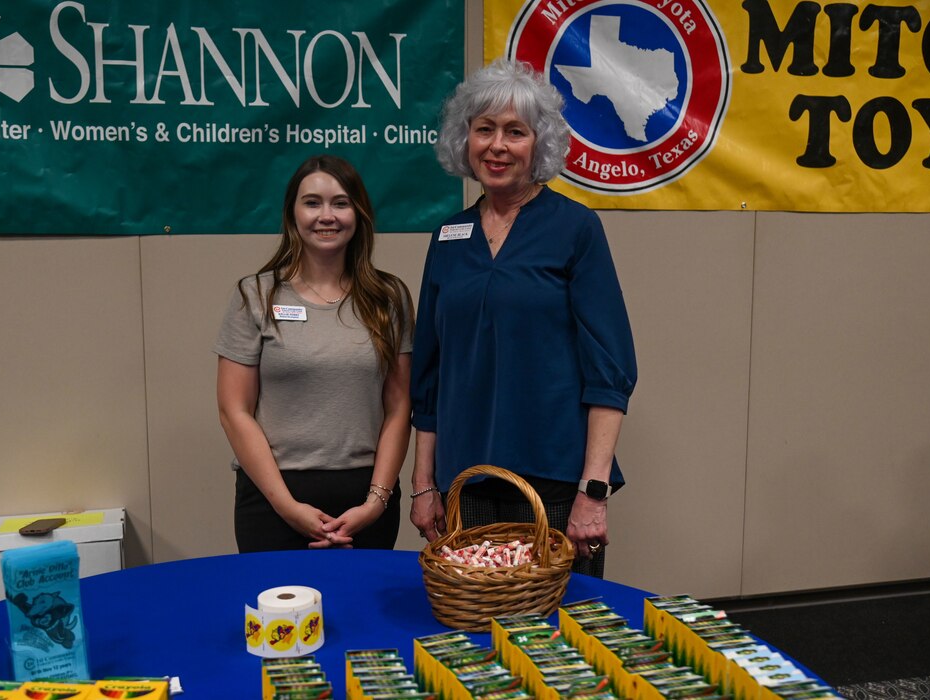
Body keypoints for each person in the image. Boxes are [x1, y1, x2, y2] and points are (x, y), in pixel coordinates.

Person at [409, 59, 637, 577]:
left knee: (556, 639)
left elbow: (610, 370)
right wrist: (424, 482)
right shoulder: (448, 237)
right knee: (472, 629)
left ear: (540, 145)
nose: (497, 145)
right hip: (464, 483)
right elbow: (429, 373)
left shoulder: (575, 228)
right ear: (463, 139)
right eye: (483, 129)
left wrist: (593, 491)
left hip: (554, 483)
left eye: (515, 132)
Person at [215, 154, 413, 552]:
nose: (327, 215)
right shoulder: (254, 296)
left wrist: (375, 503)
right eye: (312, 203)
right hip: (273, 501)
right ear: (292, 214)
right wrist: (287, 507)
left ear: (358, 214)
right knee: (279, 615)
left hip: (364, 502)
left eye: (340, 203)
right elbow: (233, 410)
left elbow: (399, 405)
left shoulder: (388, 298)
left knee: (360, 612)